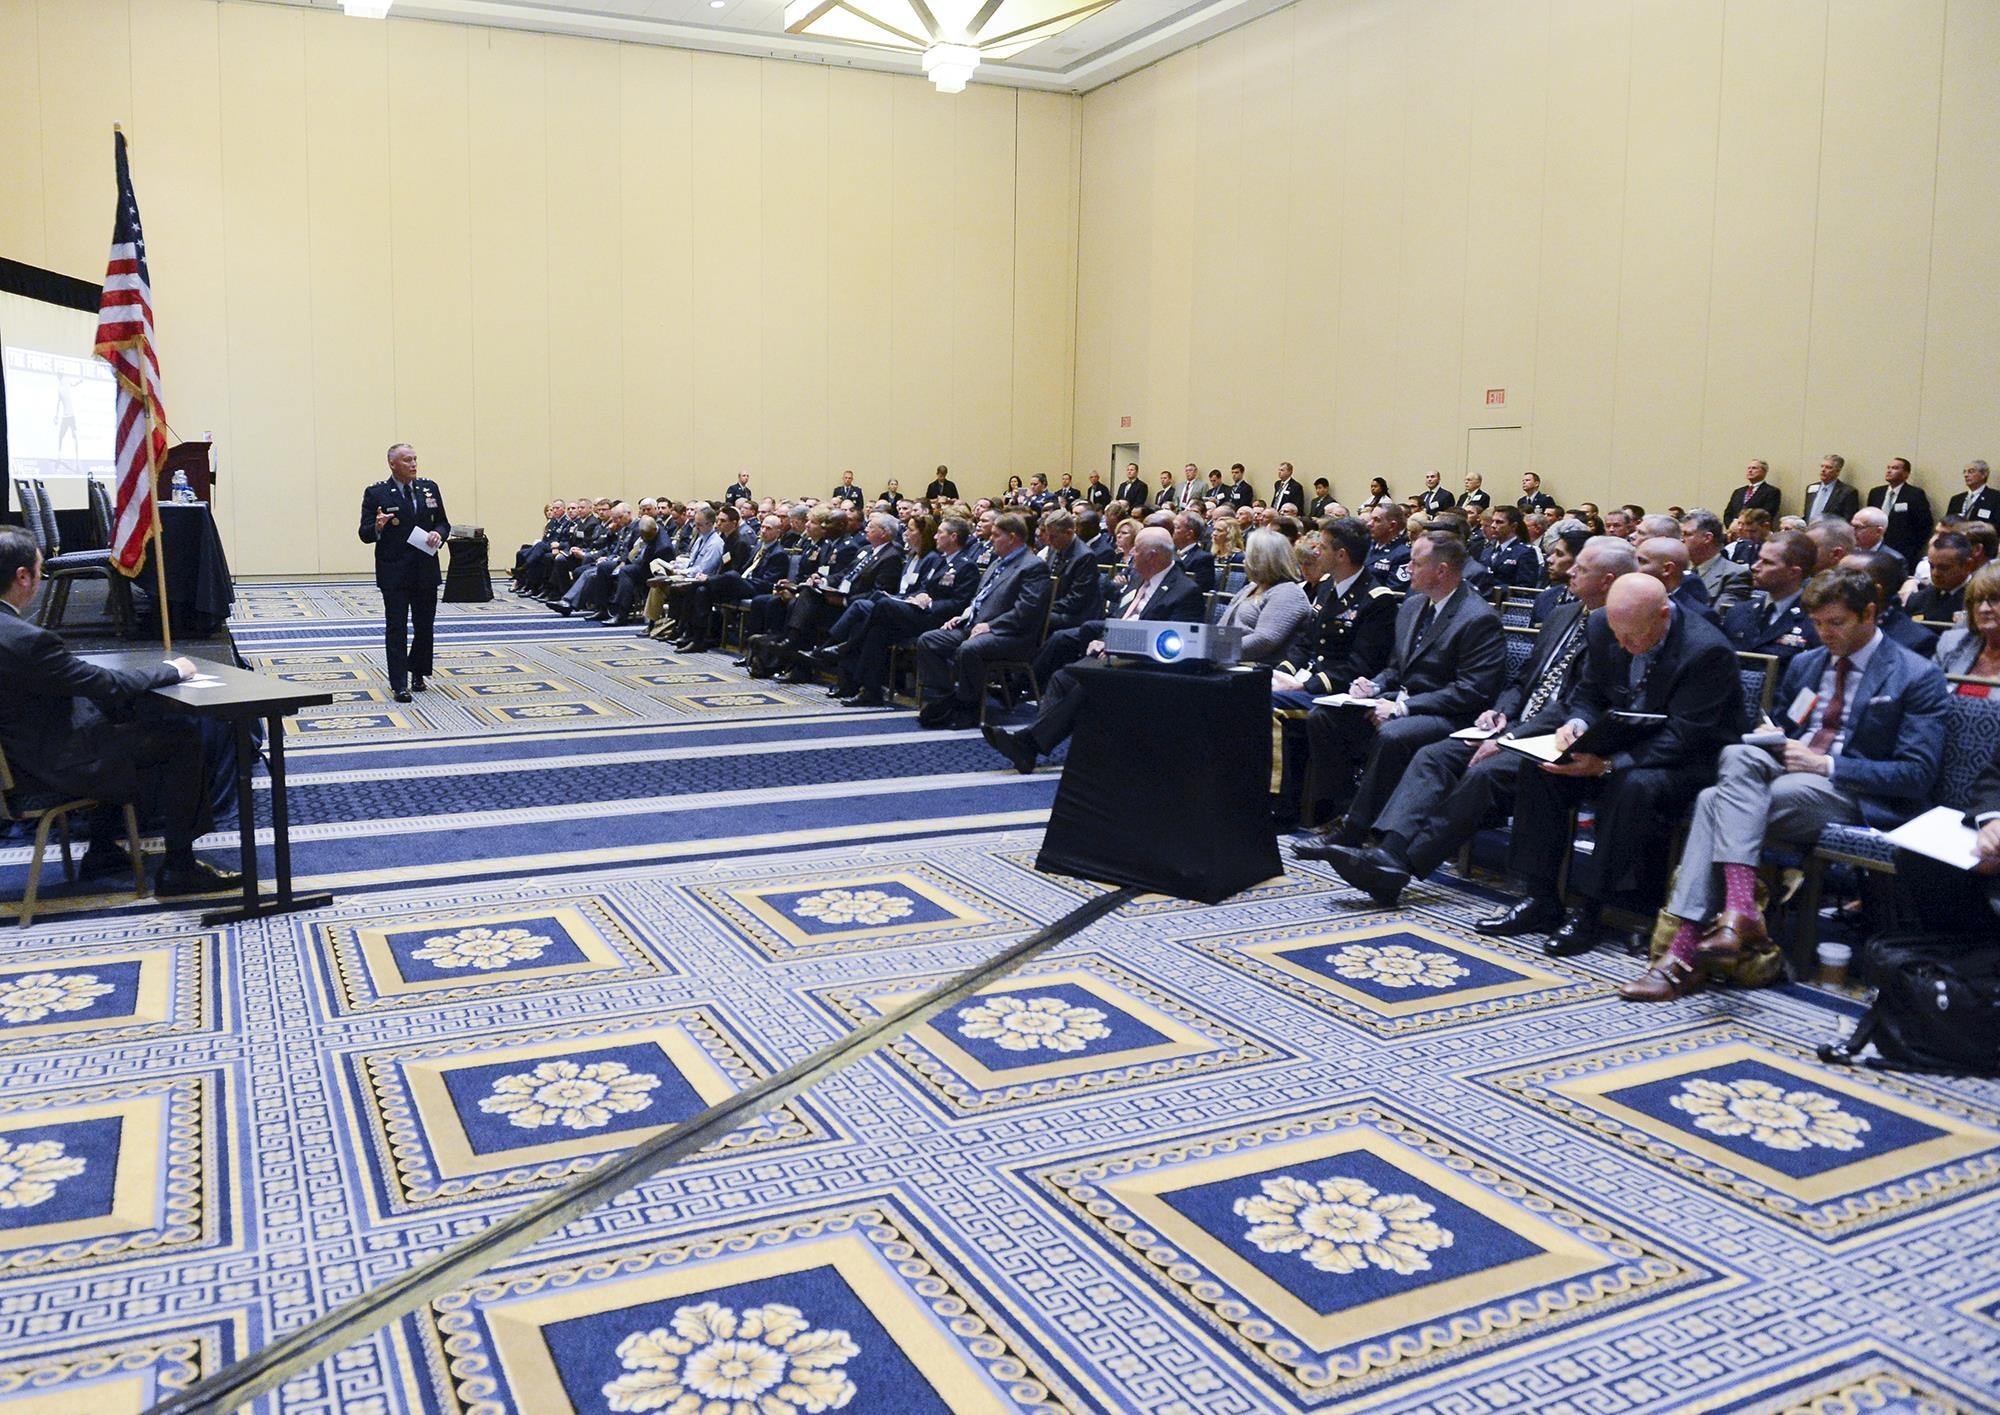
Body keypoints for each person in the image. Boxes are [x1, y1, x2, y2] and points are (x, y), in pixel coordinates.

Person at [1622, 568, 1948, 1000]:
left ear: (1869, 614)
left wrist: (1825, 764)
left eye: (1836, 623)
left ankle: (1681, 953)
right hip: (1779, 780)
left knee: (1712, 801)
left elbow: (1915, 774)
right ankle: (1738, 914)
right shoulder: (1808, 664)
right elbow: (1782, 725)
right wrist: (1770, 738)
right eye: (1817, 623)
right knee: (1736, 758)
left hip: (1852, 793)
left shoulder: (1915, 674)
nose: (1825, 633)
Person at [1301, 536, 1631, 900]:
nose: (1569, 571)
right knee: (1433, 755)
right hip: (1509, 723)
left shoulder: (1620, 629)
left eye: (1581, 568)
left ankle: (1399, 863)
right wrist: (1502, 712)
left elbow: (1573, 702)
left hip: (1553, 736)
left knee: (1476, 770)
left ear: (1607, 580)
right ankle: (1383, 849)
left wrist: (1510, 735)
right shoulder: (1561, 615)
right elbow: (1523, 681)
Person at [1475, 573, 1744, 954]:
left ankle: (1591, 910)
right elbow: (1588, 691)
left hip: (1685, 760)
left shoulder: (1706, 650)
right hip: (1616, 739)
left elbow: (1687, 736)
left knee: (1631, 787)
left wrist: (1607, 765)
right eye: (1617, 633)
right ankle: (1540, 898)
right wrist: (1577, 724)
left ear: (1663, 615)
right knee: (1541, 767)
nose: (1622, 643)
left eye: (1633, 637)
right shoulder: (1603, 623)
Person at [0, 528, 240, 897]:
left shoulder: (17, 636)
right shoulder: (27, 641)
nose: (41, 579)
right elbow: (105, 685)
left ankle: (101, 852)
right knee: (180, 738)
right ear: (22, 577)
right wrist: (173, 670)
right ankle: (179, 868)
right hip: (49, 766)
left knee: (118, 720)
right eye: (40, 570)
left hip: (18, 758)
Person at [1302, 531, 1506, 838]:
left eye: (1416, 562)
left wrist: (1403, 708)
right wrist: (1372, 686)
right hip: (1400, 701)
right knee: (1325, 718)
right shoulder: (1412, 606)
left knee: (1392, 735)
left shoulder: (1477, 617)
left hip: (1450, 715)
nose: (1407, 569)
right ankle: (1342, 808)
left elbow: (1472, 690)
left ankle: (1354, 831)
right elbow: (1396, 667)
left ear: (1442, 570)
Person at [981, 528, 1201, 772]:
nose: (1129, 556)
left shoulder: (1185, 592)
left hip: (1146, 669)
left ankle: (1028, 744)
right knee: (1061, 679)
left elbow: (1173, 646)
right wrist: (1105, 638)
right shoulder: (1139, 581)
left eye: (1135, 551)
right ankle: (1031, 745)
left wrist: (1119, 647)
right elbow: (1120, 619)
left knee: (1086, 683)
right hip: (1116, 660)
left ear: (1152, 556)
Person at [914, 513, 1051, 729]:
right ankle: (950, 698)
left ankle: (968, 708)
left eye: (996, 535)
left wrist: (991, 626)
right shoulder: (998, 562)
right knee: (929, 641)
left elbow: (1026, 610)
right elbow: (979, 599)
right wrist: (964, 615)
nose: (991, 540)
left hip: (1012, 635)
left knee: (970, 649)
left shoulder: (1032, 566)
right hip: (976, 627)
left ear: (1012, 538)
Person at [357, 442, 448, 702]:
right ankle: (399, 683)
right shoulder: (377, 493)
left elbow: (444, 522)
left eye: (415, 459)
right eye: (407, 460)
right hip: (394, 571)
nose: (413, 465)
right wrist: (377, 526)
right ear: (392, 464)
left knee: (424, 626)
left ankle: (418, 672)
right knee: (396, 627)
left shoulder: (429, 488)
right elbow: (364, 534)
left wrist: (438, 533)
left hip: (425, 569)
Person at [1272, 519, 1398, 705]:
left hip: (1335, 692)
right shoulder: (1327, 586)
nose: (1316, 552)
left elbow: (1361, 666)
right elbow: (1306, 643)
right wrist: (1281, 673)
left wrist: (1304, 686)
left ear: (1341, 555)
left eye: (1322, 548)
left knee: (1264, 701)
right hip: (1305, 680)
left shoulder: (1377, 600)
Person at [1722, 529, 1821, 668]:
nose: (1755, 567)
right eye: (1758, 559)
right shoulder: (1738, 613)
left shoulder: (1815, 621)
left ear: (1793, 573)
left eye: (1767, 562)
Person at [1214, 530, 1312, 664]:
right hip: (1229, 661)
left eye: (1249, 555)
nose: (1244, 560)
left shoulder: (1288, 593)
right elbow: (1223, 625)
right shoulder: (1252, 586)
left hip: (1257, 669)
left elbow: (1264, 640)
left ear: (1262, 558)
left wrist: (1215, 650)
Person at [1934, 563, 2000, 678]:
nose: (1984, 609)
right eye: (1978, 600)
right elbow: (1928, 691)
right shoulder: (1951, 643)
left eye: (1994, 599)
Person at [1634, 536, 1720, 624]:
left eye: (1642, 561)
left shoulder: (1701, 614)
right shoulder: (1633, 600)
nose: (1633, 566)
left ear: (1667, 569)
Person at [1681, 509, 1752, 612]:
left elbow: (1719, 618)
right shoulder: (1681, 570)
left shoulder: (1735, 574)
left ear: (1707, 538)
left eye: (1687, 534)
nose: (1681, 539)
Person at [1866, 457, 1933, 563]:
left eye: (1895, 468)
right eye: (1888, 468)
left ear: (1906, 474)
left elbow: (1925, 525)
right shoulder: (1876, 493)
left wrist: (1913, 549)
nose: (1889, 471)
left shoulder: (1914, 494)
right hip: (1875, 550)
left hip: (1903, 552)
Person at [1908, 530, 1973, 622]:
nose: (1935, 573)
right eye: (1931, 566)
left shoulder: (1978, 602)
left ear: (1968, 565)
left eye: (1944, 568)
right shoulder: (1917, 600)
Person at [1803, 452, 1861, 520]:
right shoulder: (1811, 488)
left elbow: (1848, 519)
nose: (1823, 470)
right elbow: (1807, 514)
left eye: (1828, 467)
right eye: (1822, 466)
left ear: (1838, 471)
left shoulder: (1848, 492)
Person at [1948, 459, 1996, 525]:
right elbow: (1947, 525)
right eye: (1964, 472)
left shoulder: (1995, 498)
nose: (1966, 475)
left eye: (1971, 471)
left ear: (1984, 474)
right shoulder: (1956, 500)